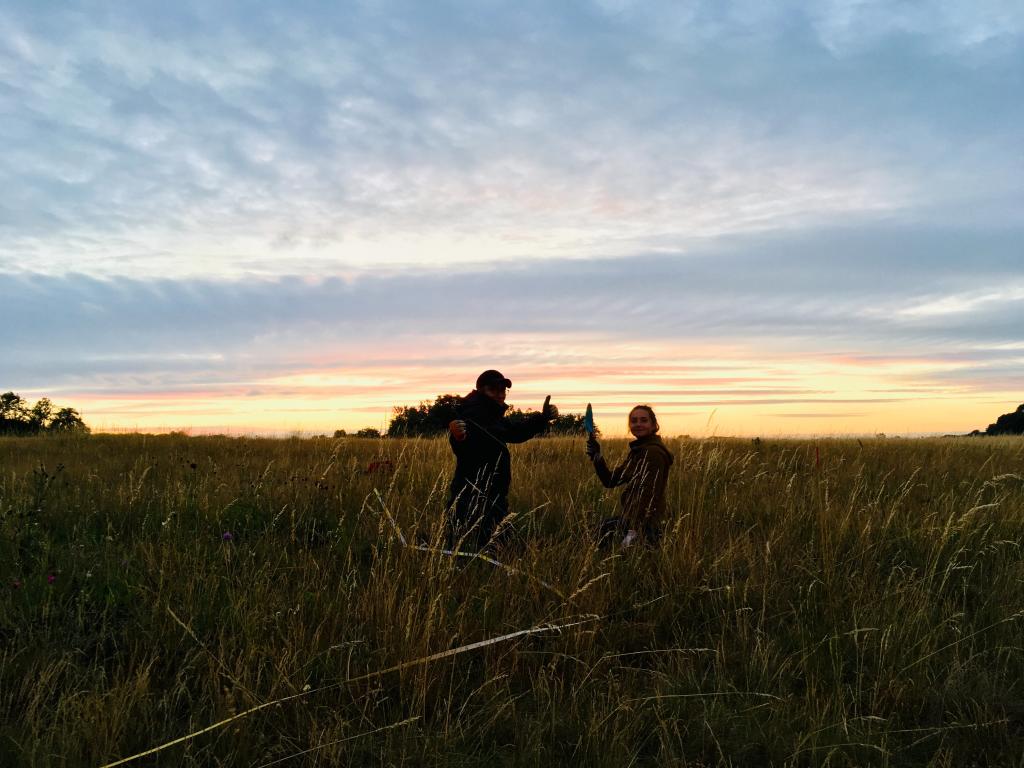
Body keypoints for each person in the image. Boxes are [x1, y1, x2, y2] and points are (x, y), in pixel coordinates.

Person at [447, 370, 558, 550]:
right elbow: (462, 446)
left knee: (492, 547)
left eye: (503, 390)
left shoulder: (492, 415)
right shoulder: (474, 413)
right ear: (481, 391)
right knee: (477, 549)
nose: (500, 395)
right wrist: (456, 436)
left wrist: (542, 418)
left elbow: (513, 432)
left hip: (492, 496)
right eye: (494, 390)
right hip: (472, 497)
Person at [586, 404, 673, 548]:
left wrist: (633, 532)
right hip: (631, 519)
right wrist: (597, 457)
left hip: (646, 525)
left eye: (644, 420)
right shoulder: (639, 451)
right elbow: (610, 481)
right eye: (634, 421)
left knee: (595, 538)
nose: (638, 424)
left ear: (653, 425)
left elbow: (649, 495)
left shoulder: (653, 453)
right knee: (593, 533)